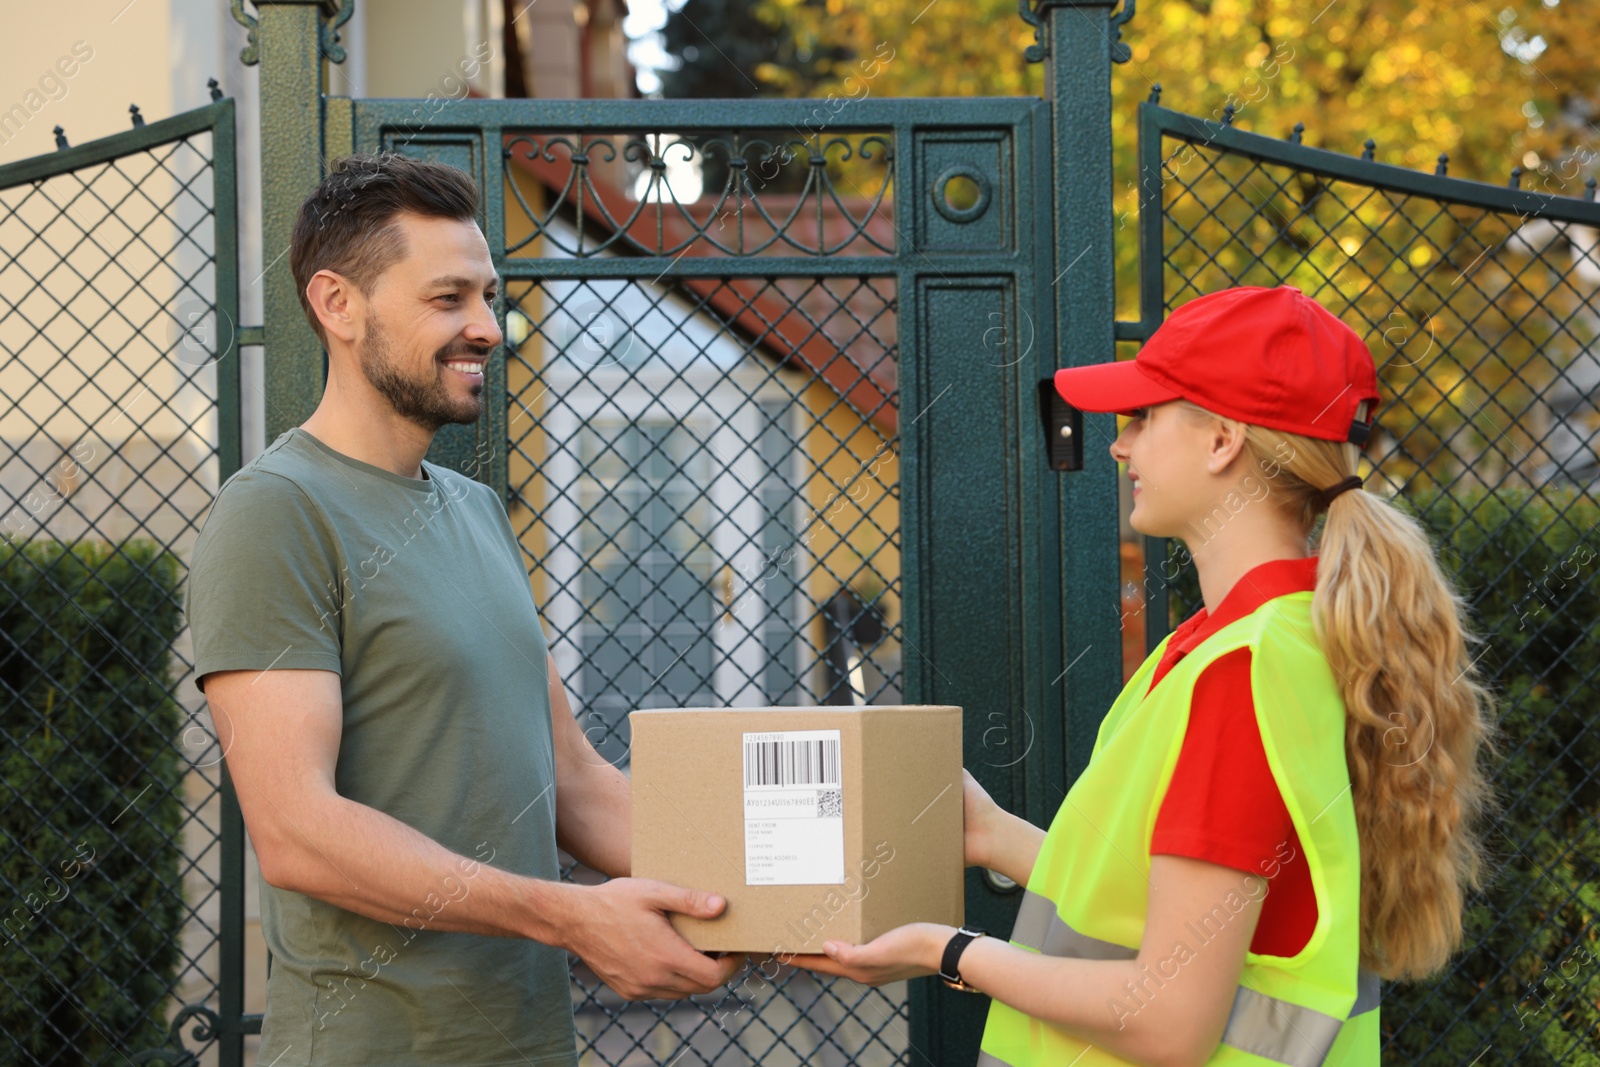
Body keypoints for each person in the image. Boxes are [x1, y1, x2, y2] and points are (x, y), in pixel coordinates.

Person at [795, 285, 1497, 1067]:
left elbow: (1166, 1023)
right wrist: (992, 836)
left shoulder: (1241, 671)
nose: (1120, 445)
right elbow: (1167, 903)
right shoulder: (1247, 644)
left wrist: (946, 951)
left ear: (1223, 439)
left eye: (1143, 417)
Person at [186, 153, 741, 1067]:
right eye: (449, 299)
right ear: (337, 304)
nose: (487, 327)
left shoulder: (475, 507)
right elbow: (296, 832)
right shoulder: (276, 510)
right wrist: (572, 915)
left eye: (487, 296)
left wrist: (779, 890)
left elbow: (577, 784)